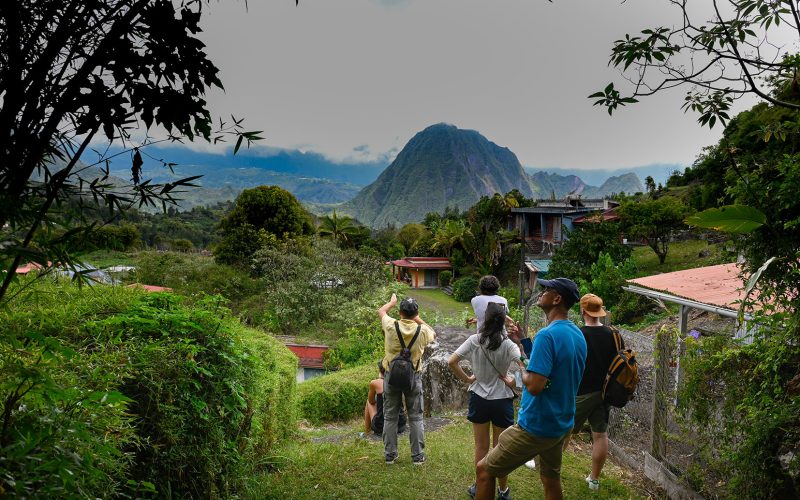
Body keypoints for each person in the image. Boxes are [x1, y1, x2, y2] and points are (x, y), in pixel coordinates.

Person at [474, 278, 587, 500]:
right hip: (561, 423)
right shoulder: (577, 334)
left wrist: (519, 370)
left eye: (546, 290)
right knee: (550, 479)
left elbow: (535, 385)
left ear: (557, 299)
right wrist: (524, 342)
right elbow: (553, 369)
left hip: (536, 425)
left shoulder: (547, 335)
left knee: (484, 470)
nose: (541, 292)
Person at [449, 302, 521, 500]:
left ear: (485, 318)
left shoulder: (475, 340)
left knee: (481, 446)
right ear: (504, 320)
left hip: (479, 397)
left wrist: (468, 378)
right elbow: (525, 365)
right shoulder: (508, 344)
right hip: (502, 399)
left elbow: (451, 361)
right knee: (501, 449)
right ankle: (503, 491)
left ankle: (480, 485)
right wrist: (514, 381)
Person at [564, 293, 620, 491]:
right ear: (600, 311)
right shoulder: (613, 334)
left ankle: (552, 466)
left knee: (563, 430)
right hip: (605, 393)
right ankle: (594, 480)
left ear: (583, 310)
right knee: (600, 435)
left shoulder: (578, 334)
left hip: (581, 391)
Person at [377, 293, 436, 465]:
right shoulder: (422, 330)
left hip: (391, 376)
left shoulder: (390, 325)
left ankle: (390, 455)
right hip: (413, 377)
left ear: (400, 313)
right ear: (415, 313)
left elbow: (381, 311)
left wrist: (391, 302)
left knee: (390, 416)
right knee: (415, 417)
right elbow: (433, 333)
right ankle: (417, 456)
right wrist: (418, 319)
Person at [363, 361, 407, 437]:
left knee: (368, 402)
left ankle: (367, 433)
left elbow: (371, 401)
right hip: (400, 425)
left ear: (380, 370)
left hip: (382, 427)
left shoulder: (375, 383)